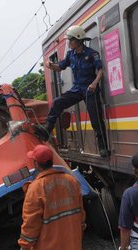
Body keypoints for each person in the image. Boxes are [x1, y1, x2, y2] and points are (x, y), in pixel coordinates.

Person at [44, 25, 109, 157]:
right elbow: (59, 68)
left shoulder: (92, 53)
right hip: (77, 89)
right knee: (57, 102)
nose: (69, 42)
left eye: (70, 40)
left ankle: (103, 147)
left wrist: (95, 83)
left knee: (96, 119)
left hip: (90, 90)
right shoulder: (70, 55)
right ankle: (46, 130)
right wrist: (50, 65)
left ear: (78, 40)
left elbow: (101, 70)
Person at [18, 145, 86, 250]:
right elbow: (80, 212)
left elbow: (31, 222)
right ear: (52, 161)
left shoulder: (35, 188)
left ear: (36, 164)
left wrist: (25, 245)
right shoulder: (72, 181)